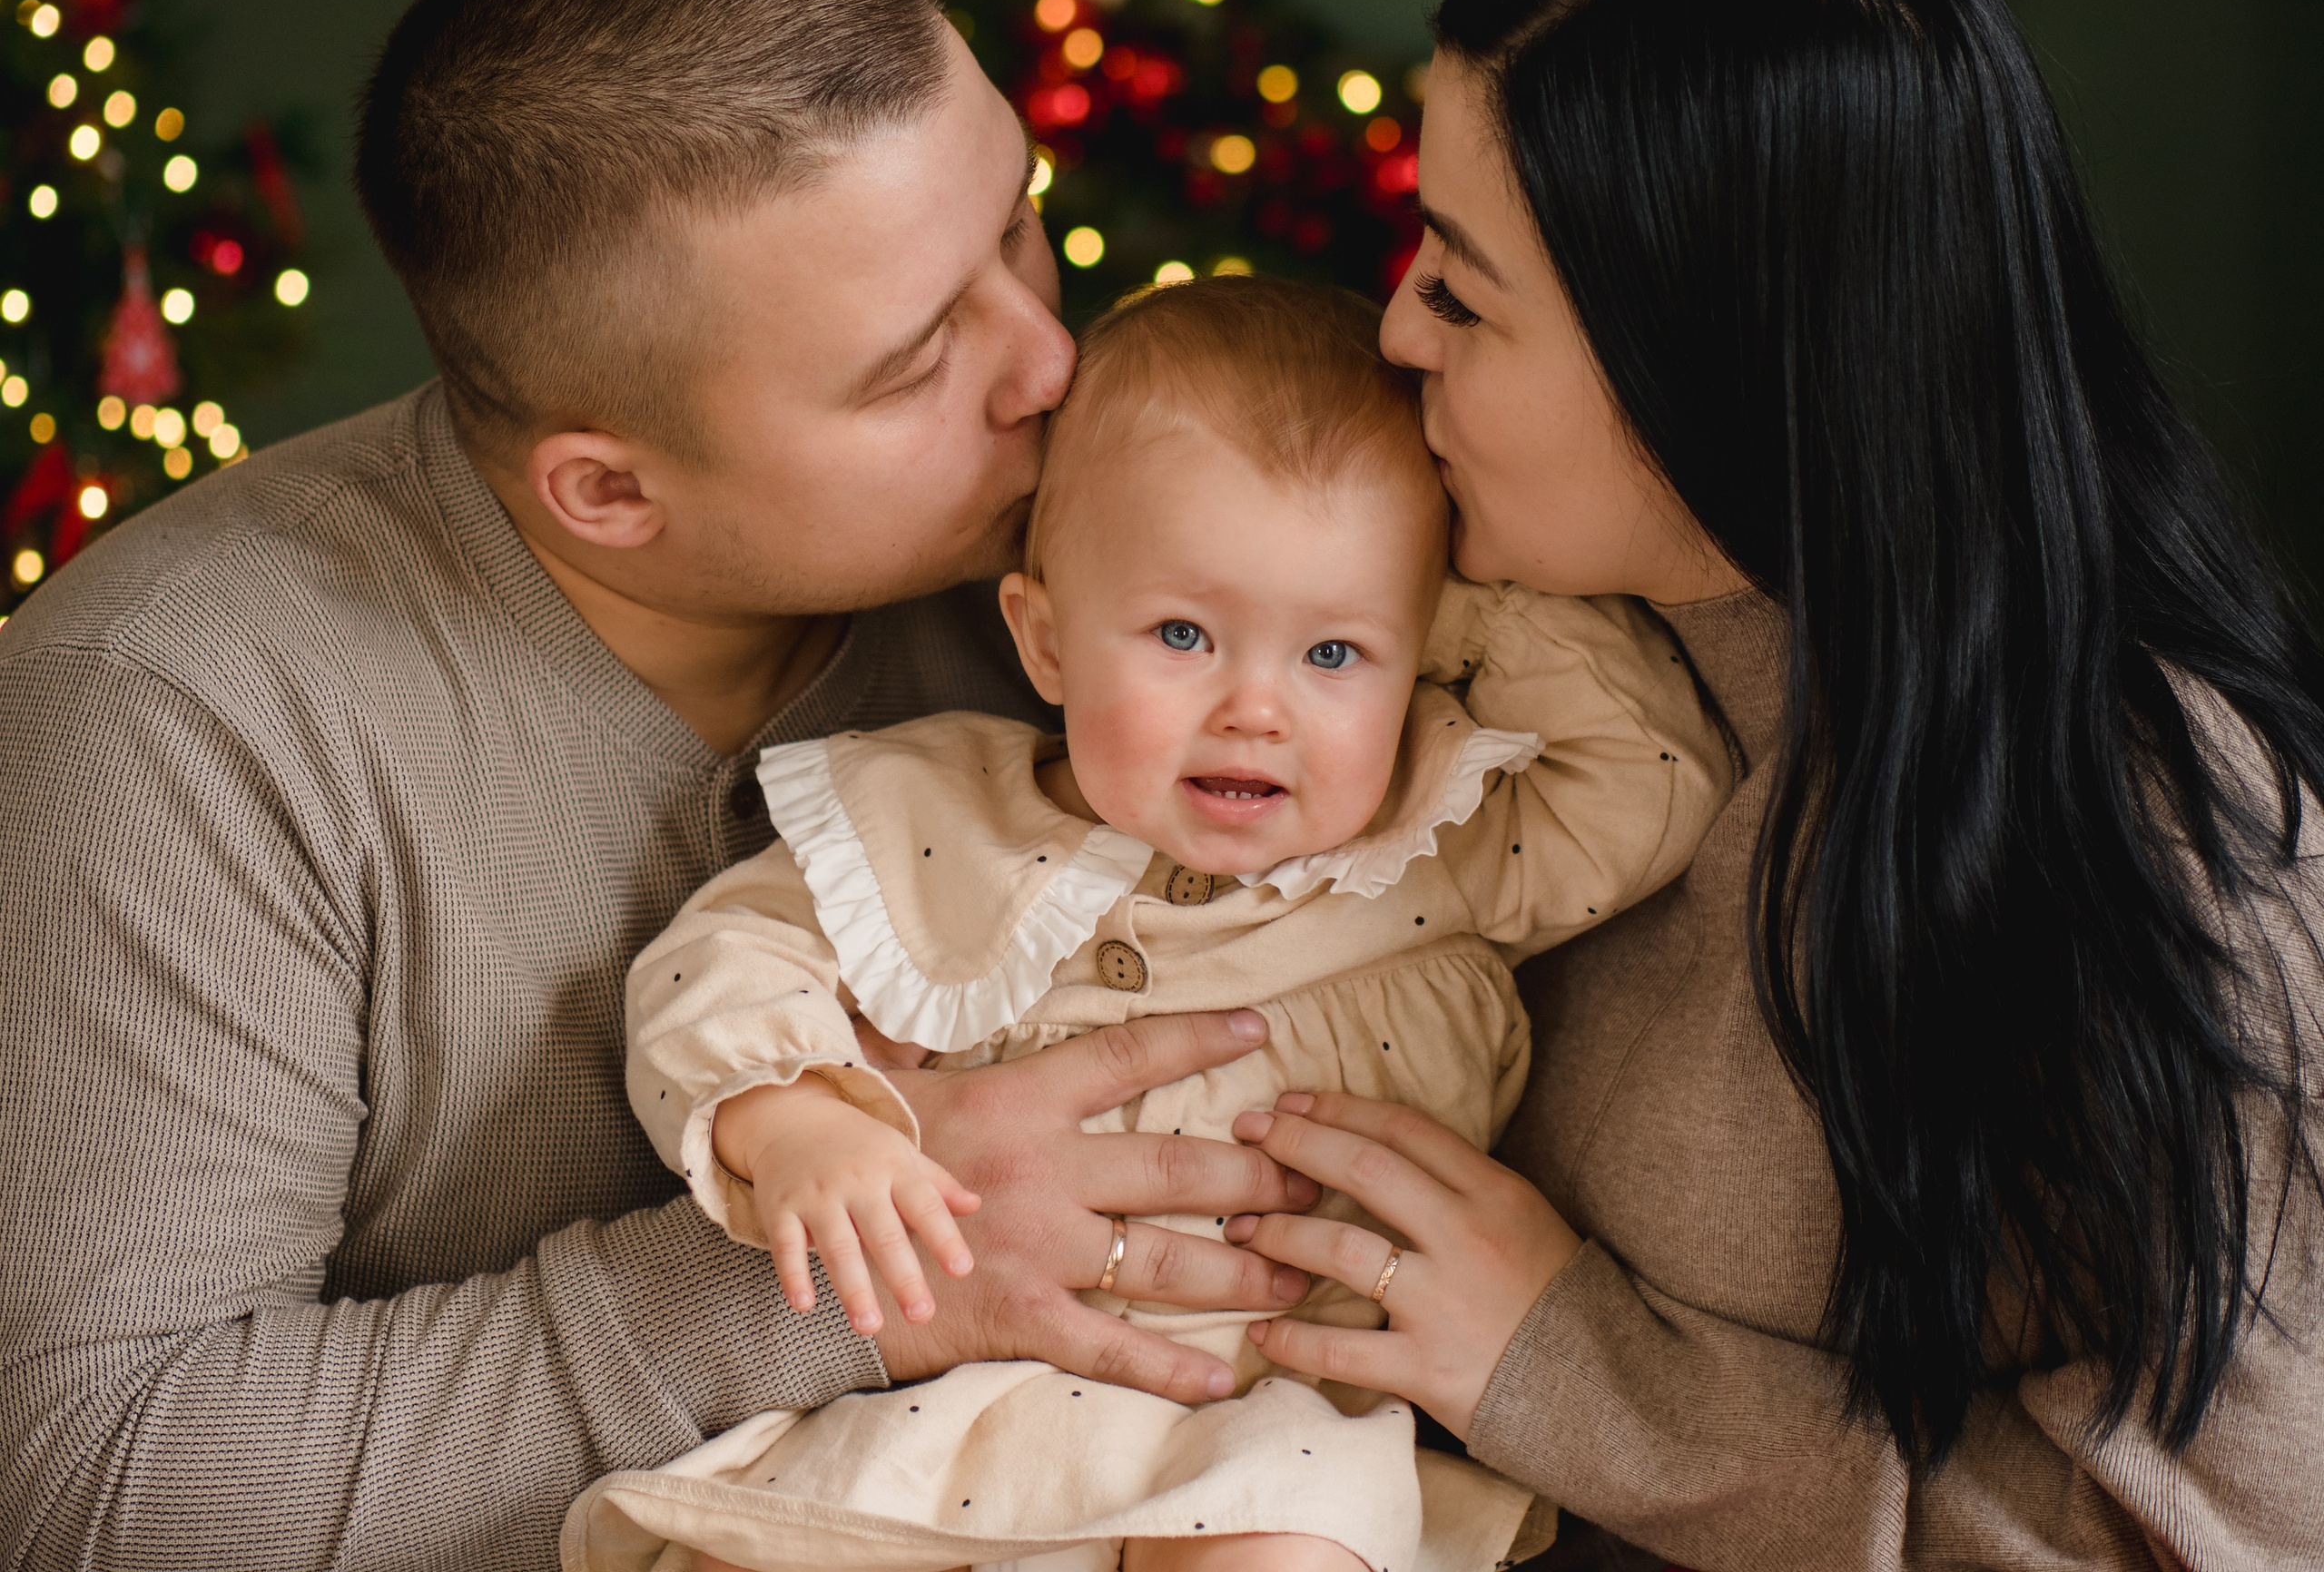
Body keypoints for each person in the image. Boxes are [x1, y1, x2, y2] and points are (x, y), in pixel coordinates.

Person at [0, 0, 1322, 1572]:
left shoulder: (1104, 566)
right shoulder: (175, 721)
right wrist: (862, 1267)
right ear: (609, 489)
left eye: (1016, 227)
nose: (1049, 364)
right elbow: (94, 1484)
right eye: (916, 364)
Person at [1210, 0, 2324, 1570]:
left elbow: (2219, 1541)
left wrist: (1586, 1378)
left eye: (1463, 289)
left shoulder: (2141, 846)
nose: (1395, 331)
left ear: (1710, 354)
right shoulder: (1461, 627)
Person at [568, 276, 1728, 1572]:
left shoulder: (1434, 848)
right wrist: (797, 1129)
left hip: (1265, 1428)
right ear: (1048, 640)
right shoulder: (936, 812)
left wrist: (1440, 578)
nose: (1257, 709)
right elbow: (721, 965)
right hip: (941, 1412)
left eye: (1333, 656)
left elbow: (1661, 778)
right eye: (1185, 632)